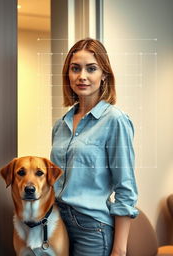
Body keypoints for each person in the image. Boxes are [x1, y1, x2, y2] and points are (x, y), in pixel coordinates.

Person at [50, 38, 139, 256]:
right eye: (75, 69)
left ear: (104, 75)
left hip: (92, 228)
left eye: (91, 69)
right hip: (56, 223)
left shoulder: (115, 120)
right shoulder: (61, 124)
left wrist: (119, 250)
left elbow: (125, 189)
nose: (82, 76)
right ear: (68, 74)